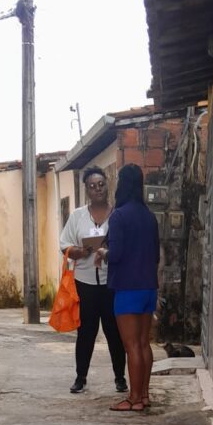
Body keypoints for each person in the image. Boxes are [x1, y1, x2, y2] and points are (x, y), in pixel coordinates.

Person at [59, 166, 127, 394]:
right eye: (92, 186)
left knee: (114, 332)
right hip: (85, 283)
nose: (97, 189)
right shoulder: (77, 216)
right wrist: (79, 251)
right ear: (86, 190)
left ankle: (120, 378)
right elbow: (64, 245)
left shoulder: (117, 215)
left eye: (101, 184)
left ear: (107, 186)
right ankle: (81, 377)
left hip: (111, 283)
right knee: (86, 332)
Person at [101, 164, 160, 412]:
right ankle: (144, 394)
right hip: (149, 287)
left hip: (127, 288)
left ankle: (133, 398)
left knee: (131, 345)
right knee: (144, 343)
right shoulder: (149, 217)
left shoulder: (119, 216)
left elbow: (116, 255)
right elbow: (156, 255)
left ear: (121, 184)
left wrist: (103, 253)